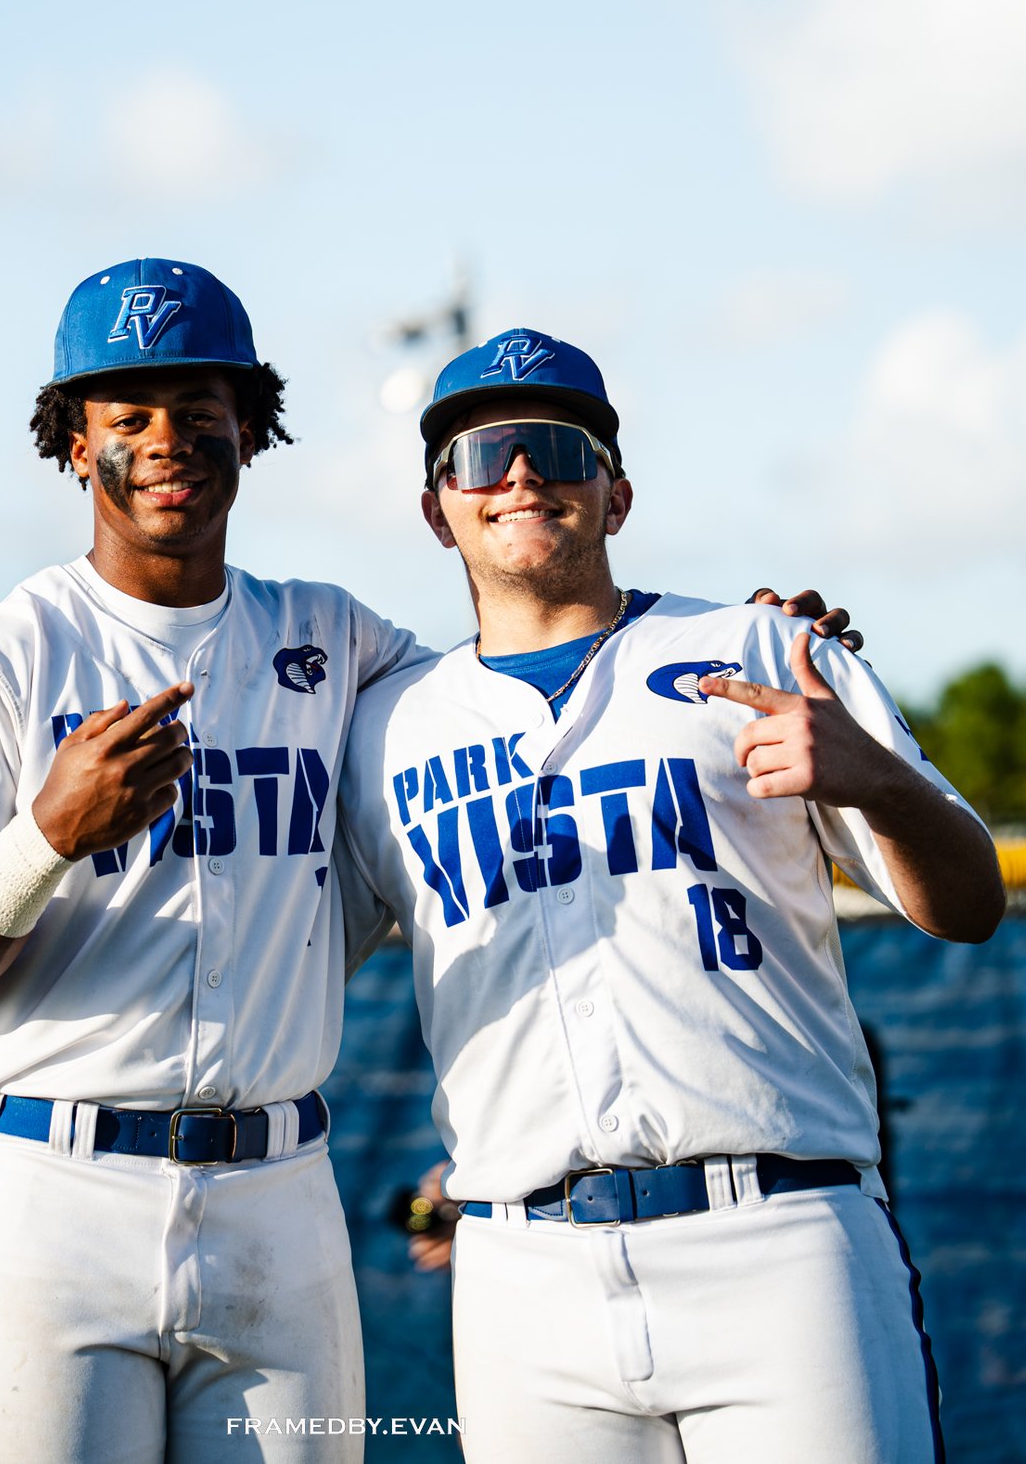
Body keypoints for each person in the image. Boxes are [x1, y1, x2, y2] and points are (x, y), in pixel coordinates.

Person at [338, 325, 1005, 1464]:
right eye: (482, 455)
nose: (519, 474)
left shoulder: (761, 650)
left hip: (779, 1237)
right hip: (521, 1270)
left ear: (617, 493)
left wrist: (882, 782)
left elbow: (970, 906)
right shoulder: (382, 727)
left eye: (558, 447)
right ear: (437, 509)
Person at [0, 257, 434, 1463]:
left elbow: (512, 705)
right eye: (127, 415)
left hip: (280, 1194)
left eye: (196, 409)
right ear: (74, 442)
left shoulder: (336, 637)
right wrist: (46, 835)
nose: (165, 440)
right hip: (56, 1190)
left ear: (250, 428)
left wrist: (719, 646)